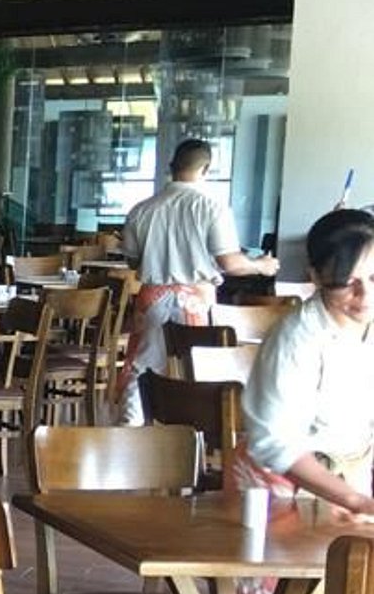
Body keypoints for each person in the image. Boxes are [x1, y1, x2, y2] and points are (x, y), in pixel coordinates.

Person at [117, 138, 277, 421]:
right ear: (206, 169)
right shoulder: (212, 208)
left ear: (171, 167)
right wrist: (261, 266)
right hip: (195, 299)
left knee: (142, 365)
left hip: (151, 297)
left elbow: (132, 260)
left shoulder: (142, 209)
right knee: (195, 367)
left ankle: (129, 428)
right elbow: (230, 263)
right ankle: (191, 431)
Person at [236, 207, 374, 514]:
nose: (365, 294)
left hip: (351, 479)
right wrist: (355, 501)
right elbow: (275, 441)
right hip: (287, 486)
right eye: (346, 281)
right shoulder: (297, 338)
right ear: (316, 276)